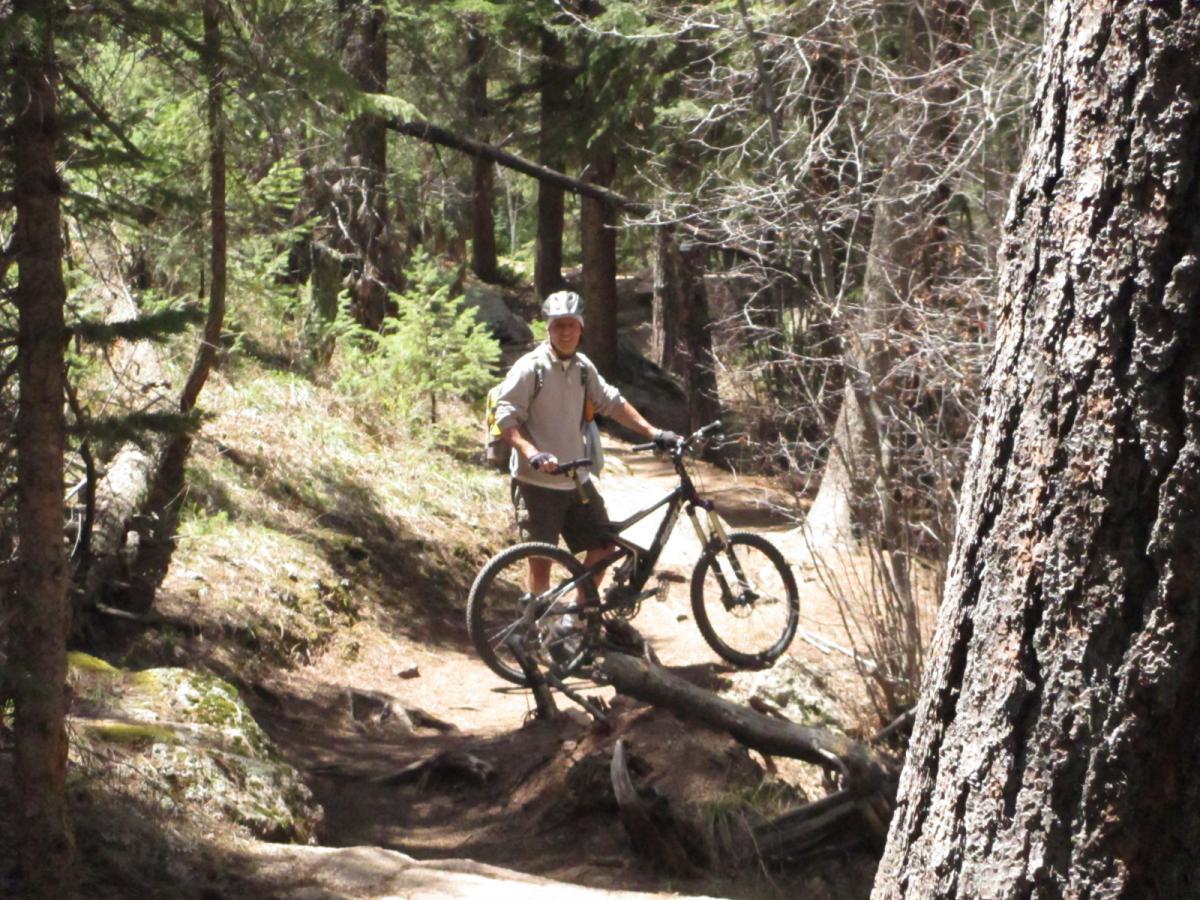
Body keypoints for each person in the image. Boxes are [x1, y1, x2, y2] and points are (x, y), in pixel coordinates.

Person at [492, 290, 679, 641]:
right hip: (538, 482)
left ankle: (574, 621)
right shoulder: (530, 367)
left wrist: (654, 432)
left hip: (576, 480)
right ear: (549, 329)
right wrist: (531, 451)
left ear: (581, 328)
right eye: (558, 325)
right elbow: (504, 417)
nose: (565, 332)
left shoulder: (582, 368)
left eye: (571, 325)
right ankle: (540, 633)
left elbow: (613, 402)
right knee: (541, 561)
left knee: (604, 546)